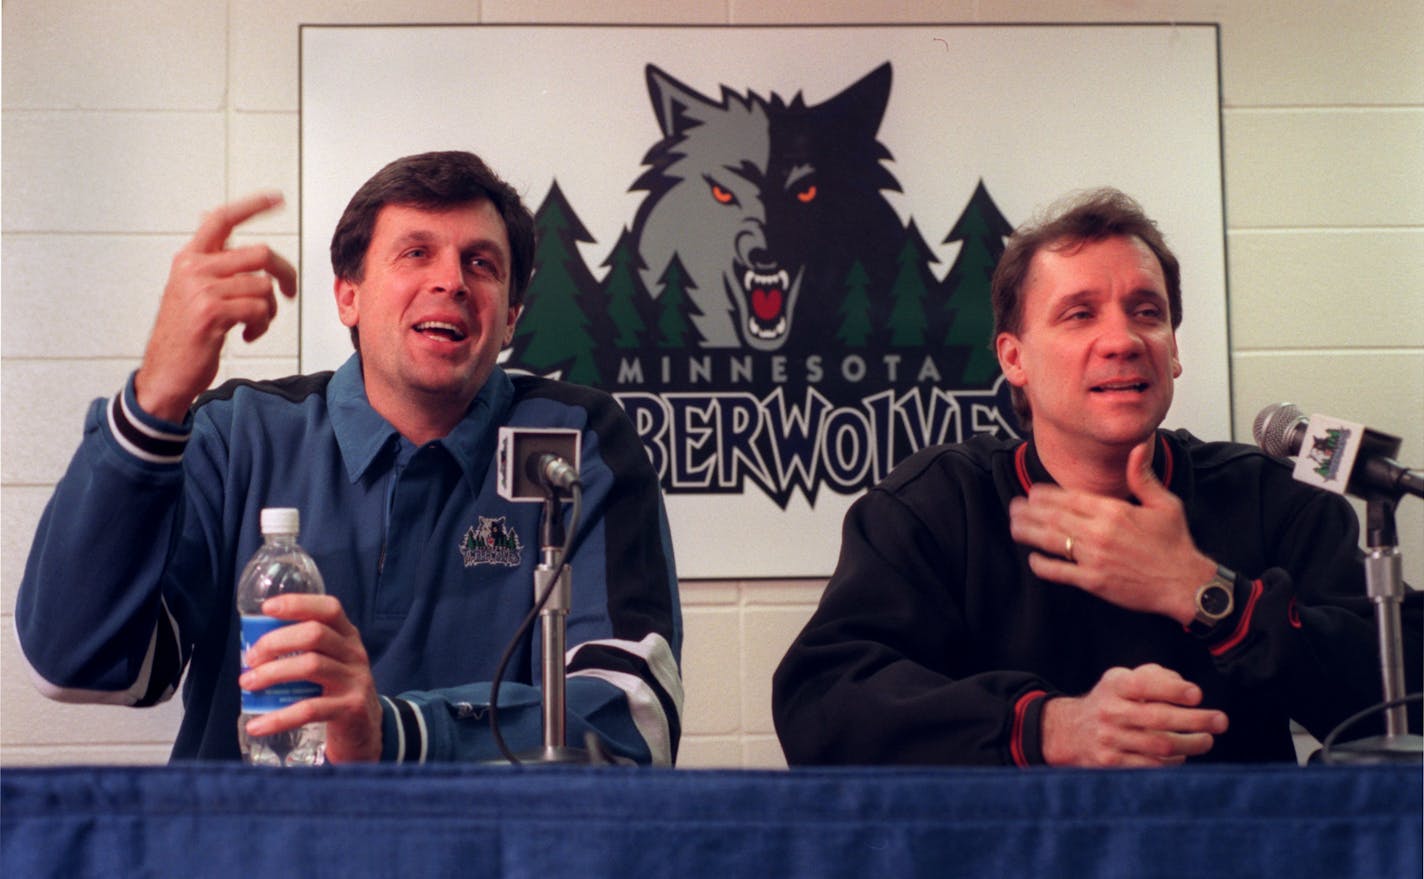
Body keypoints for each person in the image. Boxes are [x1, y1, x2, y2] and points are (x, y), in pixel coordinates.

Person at [16, 151, 682, 765]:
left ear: (510, 316)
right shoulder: (238, 433)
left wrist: (392, 732)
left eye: (481, 263)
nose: (450, 280)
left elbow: (633, 718)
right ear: (348, 296)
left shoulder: (579, 441)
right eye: (416, 252)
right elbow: (80, 661)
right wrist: (152, 404)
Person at [772, 187, 1420, 767]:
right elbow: (820, 701)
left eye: (1146, 311)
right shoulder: (936, 506)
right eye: (1080, 314)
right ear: (1013, 357)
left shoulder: (1270, 497)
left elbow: (1406, 697)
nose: (1122, 339)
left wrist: (1211, 595)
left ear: (1174, 347)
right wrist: (1047, 727)